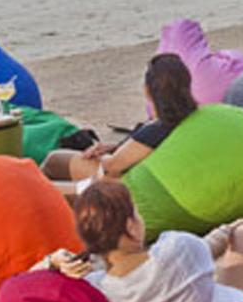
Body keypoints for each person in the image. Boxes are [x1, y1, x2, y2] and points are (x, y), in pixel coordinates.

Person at [45, 180, 243, 302]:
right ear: (131, 229)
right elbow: (210, 245)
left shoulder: (97, 290)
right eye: (136, 213)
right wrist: (230, 226)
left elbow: (28, 285)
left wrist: (53, 261)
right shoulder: (176, 251)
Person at [41, 53, 196, 197]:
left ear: (147, 91)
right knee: (55, 160)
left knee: (53, 166)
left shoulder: (157, 129)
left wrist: (106, 155)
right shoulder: (188, 117)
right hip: (136, 174)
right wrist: (112, 147)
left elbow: (112, 166)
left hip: (123, 184)